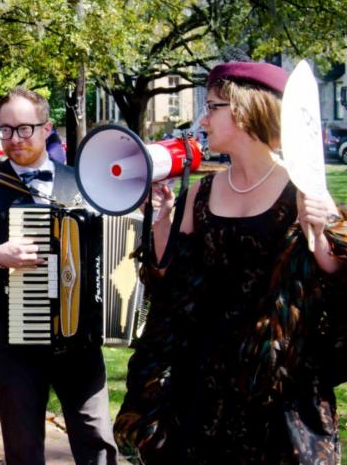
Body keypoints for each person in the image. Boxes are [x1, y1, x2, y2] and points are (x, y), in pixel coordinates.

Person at [114, 61, 347, 464]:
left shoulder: (304, 191)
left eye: (213, 106)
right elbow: (167, 281)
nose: (203, 119)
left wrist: (323, 235)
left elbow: (335, 287)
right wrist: (163, 215)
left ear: (245, 109)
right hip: (202, 381)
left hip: (278, 381)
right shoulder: (200, 193)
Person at [0, 87, 118, 465]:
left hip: (80, 337)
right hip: (15, 337)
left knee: (96, 439)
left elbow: (116, 243)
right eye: (5, 130)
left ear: (46, 128)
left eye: (24, 129)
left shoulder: (83, 184)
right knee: (23, 447)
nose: (14, 139)